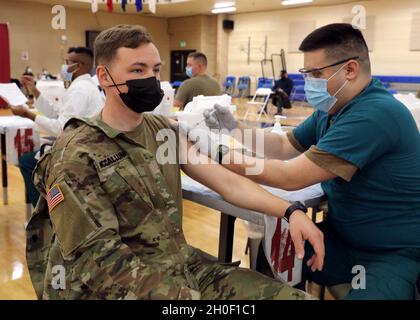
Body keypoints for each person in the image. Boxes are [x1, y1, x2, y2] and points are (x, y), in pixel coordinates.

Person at [25, 24, 324, 300]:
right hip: (118, 287)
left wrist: (290, 211)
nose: (150, 79)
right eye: (137, 69)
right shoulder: (76, 154)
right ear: (104, 76)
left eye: (155, 70)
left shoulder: (161, 131)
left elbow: (228, 183)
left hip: (179, 265)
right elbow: (102, 264)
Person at [204, 23, 420, 300]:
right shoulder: (333, 107)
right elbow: (284, 146)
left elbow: (290, 176)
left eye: (317, 74)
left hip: (391, 252)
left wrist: (221, 156)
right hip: (342, 240)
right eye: (308, 74)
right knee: (270, 260)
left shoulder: (374, 114)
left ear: (350, 70)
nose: (310, 83)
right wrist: (234, 129)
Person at [11, 46, 104, 207]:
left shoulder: (80, 91)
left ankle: (45, 213)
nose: (64, 66)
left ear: (78, 66)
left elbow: (61, 128)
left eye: (67, 62)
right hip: (82, 143)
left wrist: (29, 115)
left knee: (27, 162)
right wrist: (35, 91)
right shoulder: (82, 86)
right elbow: (57, 114)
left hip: (79, 151)